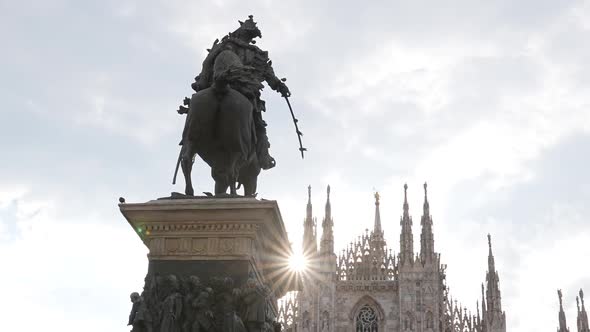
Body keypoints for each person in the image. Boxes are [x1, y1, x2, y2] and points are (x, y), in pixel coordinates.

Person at [196, 15, 290, 170]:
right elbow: (268, 74)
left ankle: (189, 143)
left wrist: (279, 85)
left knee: (258, 124)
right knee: (259, 126)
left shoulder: (227, 46)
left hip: (225, 85)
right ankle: (264, 157)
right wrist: (279, 85)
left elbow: (268, 74)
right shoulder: (240, 50)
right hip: (244, 90)